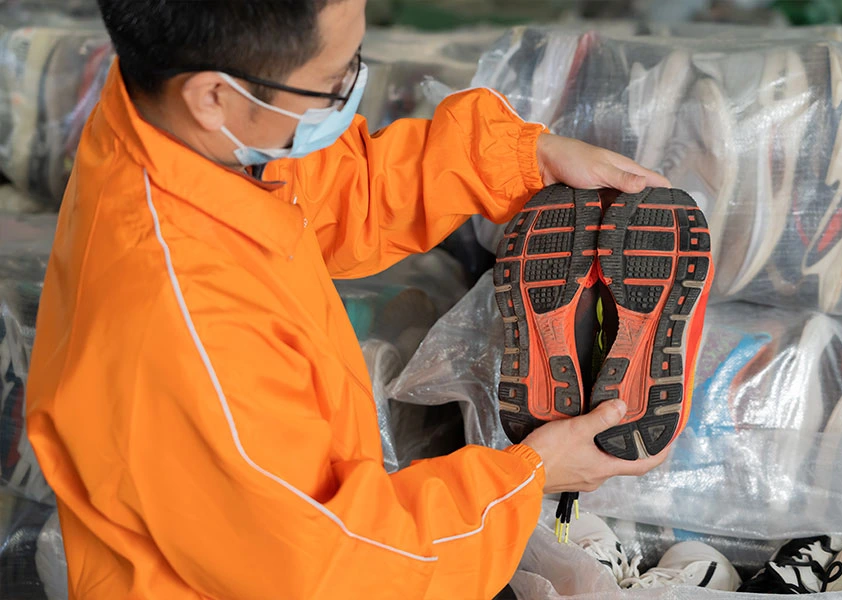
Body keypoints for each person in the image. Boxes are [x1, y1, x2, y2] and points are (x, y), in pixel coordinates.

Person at [26, 1, 671, 597]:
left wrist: (524, 158)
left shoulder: (172, 130)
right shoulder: (184, 329)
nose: (351, 92)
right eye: (335, 80)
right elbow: (337, 568)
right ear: (214, 96)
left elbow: (326, 190)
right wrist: (528, 481)